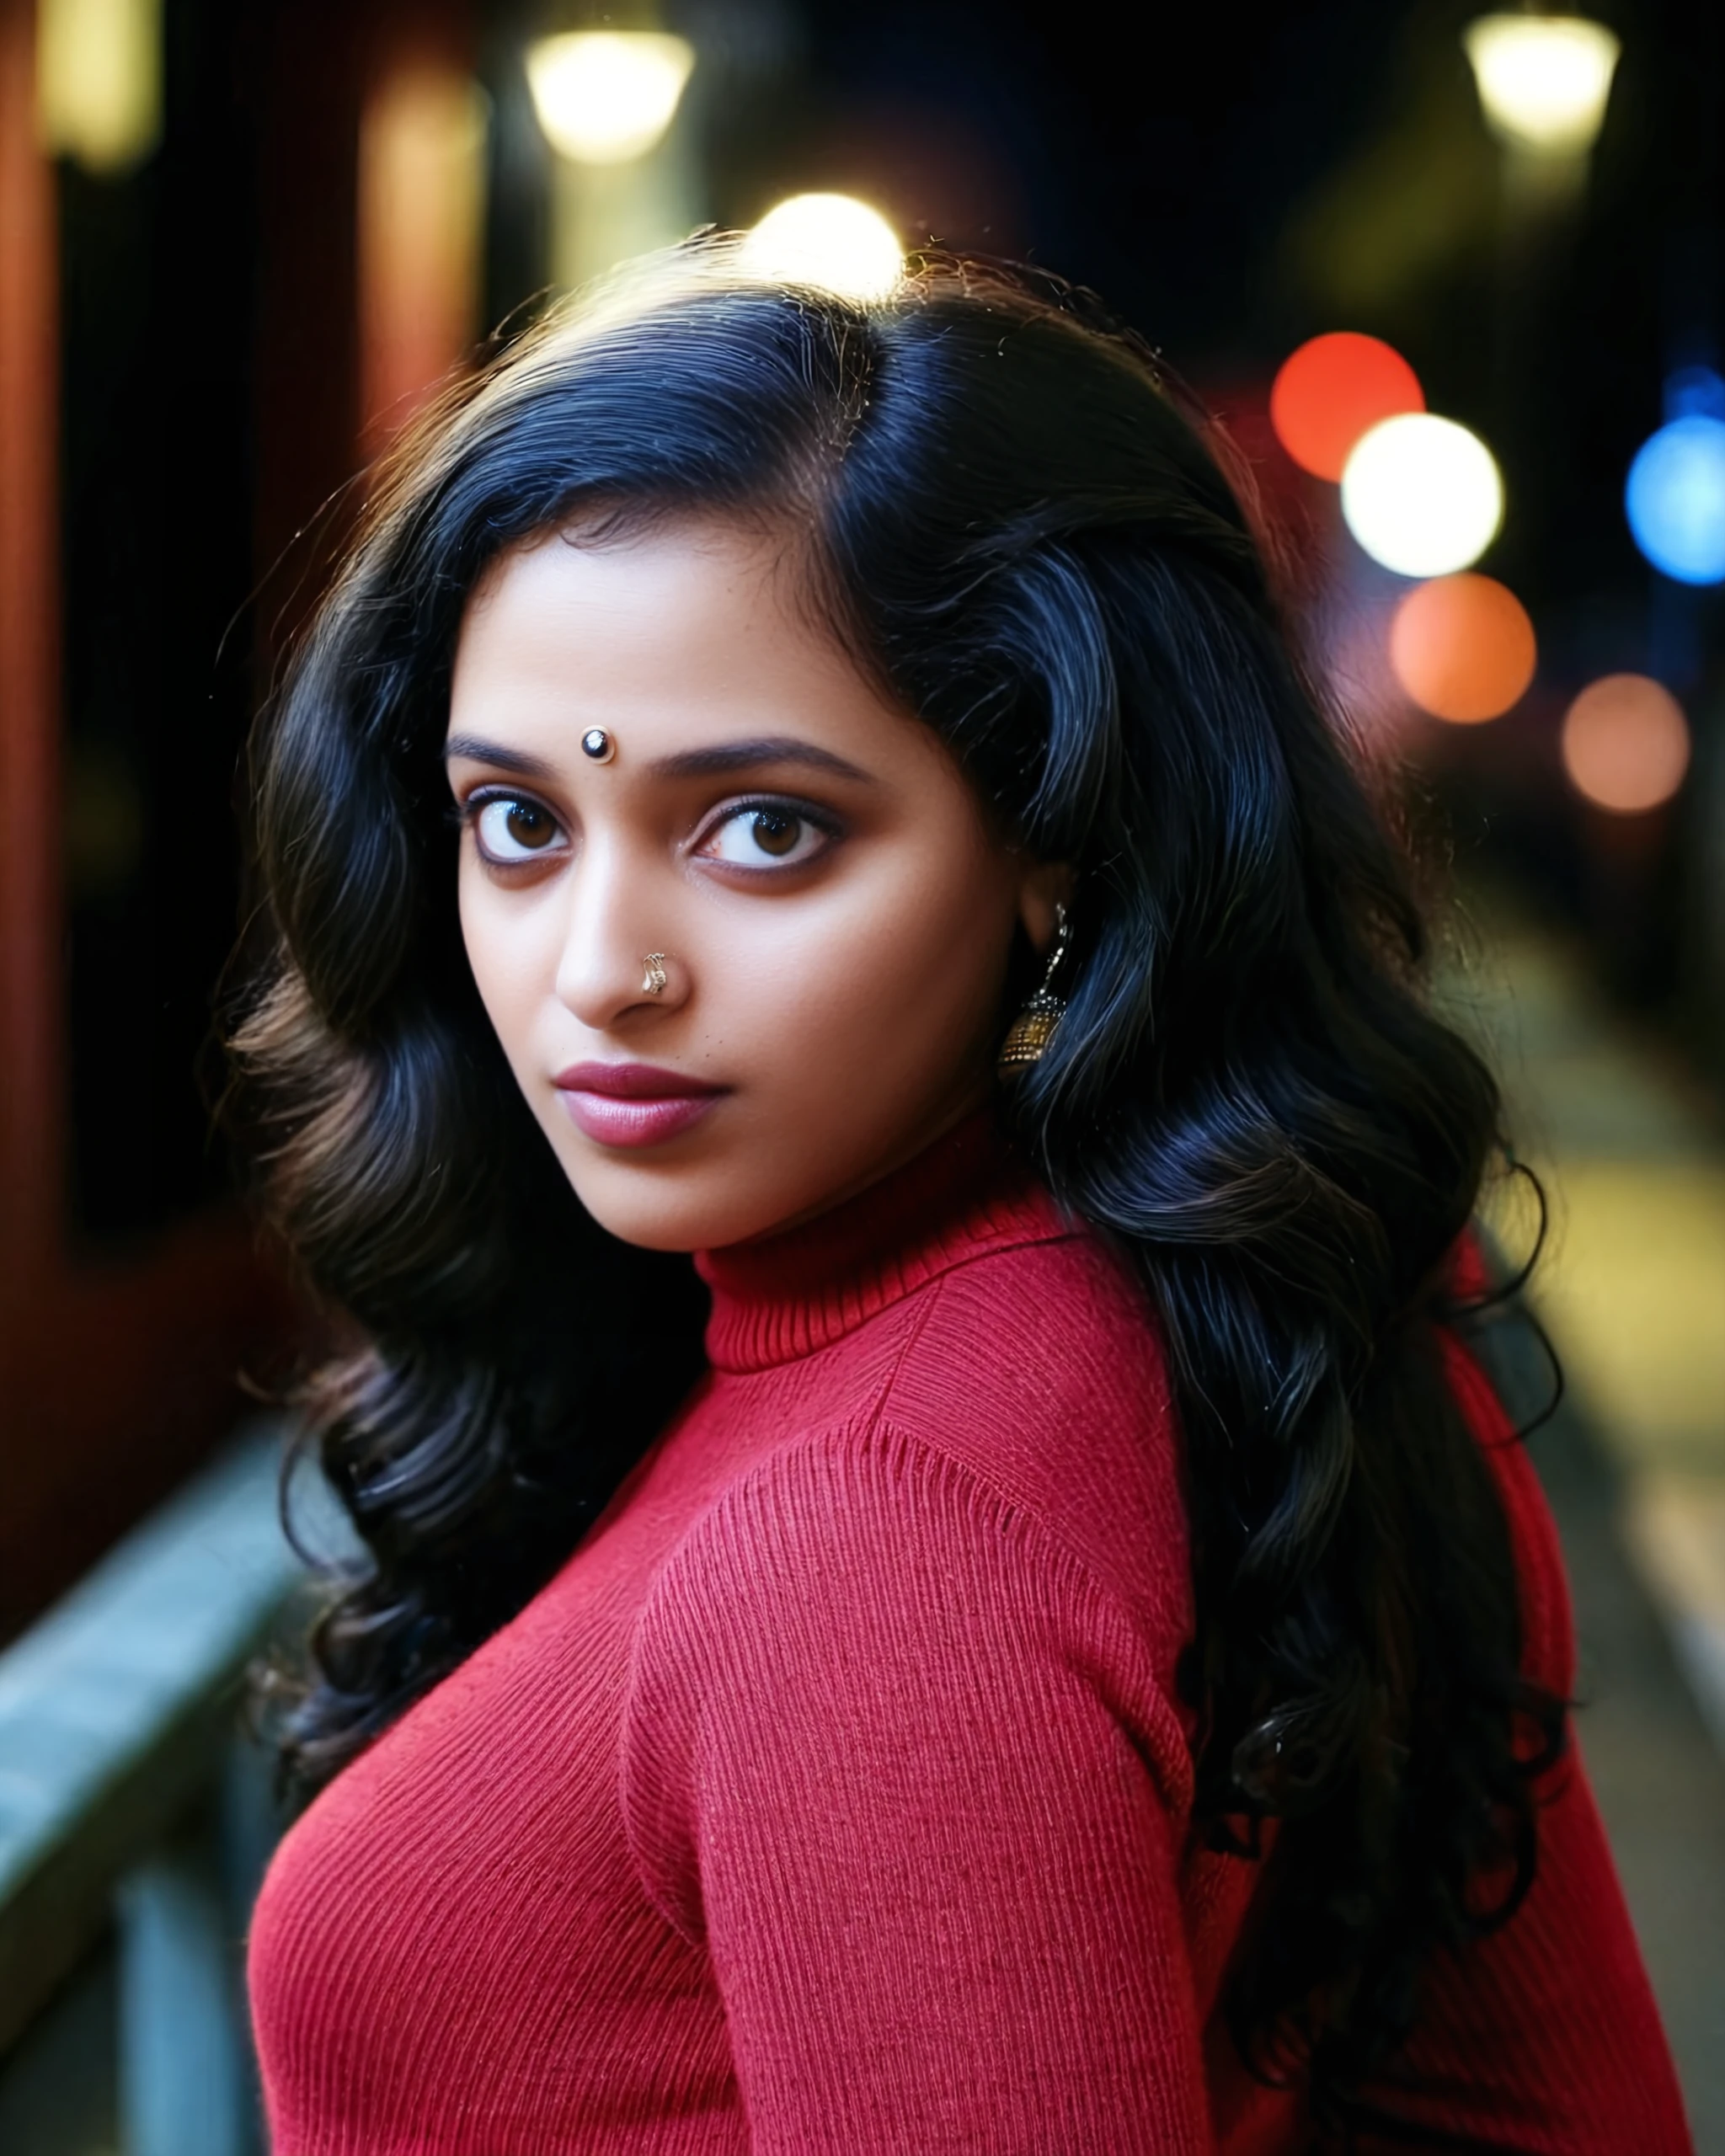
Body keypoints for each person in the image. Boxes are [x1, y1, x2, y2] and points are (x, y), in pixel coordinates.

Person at [230, 240, 1691, 2153]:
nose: (599, 965)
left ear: (1052, 843)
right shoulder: (1290, 1271)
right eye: (518, 817)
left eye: (764, 828)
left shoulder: (871, 1538)